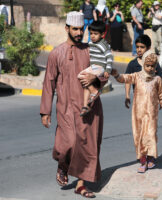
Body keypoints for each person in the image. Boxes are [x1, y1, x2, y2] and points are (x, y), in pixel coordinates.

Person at [40, 11, 106, 198]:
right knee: (67, 143)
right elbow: (48, 83)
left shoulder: (90, 50)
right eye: (75, 29)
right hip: (66, 107)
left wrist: (96, 76)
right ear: (67, 28)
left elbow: (104, 72)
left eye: (81, 29)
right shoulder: (56, 53)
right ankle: (63, 164)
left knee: (86, 146)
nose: (79, 32)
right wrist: (46, 111)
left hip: (89, 107)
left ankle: (81, 184)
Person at [111, 51, 162, 173]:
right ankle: (143, 160)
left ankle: (150, 158)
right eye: (147, 65)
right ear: (143, 65)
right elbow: (124, 78)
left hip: (151, 114)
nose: (150, 68)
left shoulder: (157, 80)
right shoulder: (137, 76)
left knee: (150, 135)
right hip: (138, 114)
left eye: (153, 66)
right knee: (139, 137)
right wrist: (116, 75)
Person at [77, 20, 113, 116]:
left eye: (95, 34)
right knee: (86, 84)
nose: (92, 36)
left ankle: (94, 91)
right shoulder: (91, 43)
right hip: (94, 67)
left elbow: (109, 57)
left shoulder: (103, 44)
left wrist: (107, 70)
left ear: (102, 34)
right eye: (91, 33)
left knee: (81, 75)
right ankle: (85, 107)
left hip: (99, 67)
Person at [124, 34, 162, 109]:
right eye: (137, 47)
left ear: (148, 48)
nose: (139, 50)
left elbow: (160, 80)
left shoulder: (154, 63)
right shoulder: (132, 64)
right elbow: (127, 81)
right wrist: (127, 95)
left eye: (142, 47)